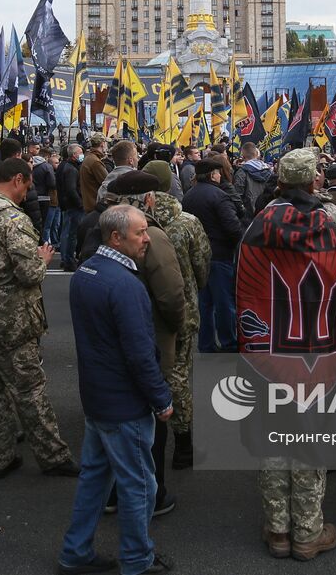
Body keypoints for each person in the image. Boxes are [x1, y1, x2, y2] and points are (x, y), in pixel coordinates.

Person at [242, 149, 336, 562]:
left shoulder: (259, 222)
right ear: (313, 181)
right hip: (318, 349)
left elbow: (245, 284)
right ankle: (308, 532)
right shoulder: (330, 220)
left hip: (271, 349)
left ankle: (278, 531)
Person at [58, 204, 174, 575]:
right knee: (140, 486)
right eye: (140, 233)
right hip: (124, 403)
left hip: (97, 395)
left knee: (94, 478)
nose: (146, 239)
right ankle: (137, 560)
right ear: (116, 237)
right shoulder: (125, 285)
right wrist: (161, 398)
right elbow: (140, 354)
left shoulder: (87, 272)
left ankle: (75, 552)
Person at [0, 158, 77, 478]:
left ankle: (1, 457)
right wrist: (42, 259)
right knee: (30, 389)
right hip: (11, 316)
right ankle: (53, 456)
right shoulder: (11, 219)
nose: (28, 192)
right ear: (17, 179)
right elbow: (28, 273)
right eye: (28, 185)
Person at [106, 172, 186, 514]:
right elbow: (171, 293)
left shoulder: (106, 229)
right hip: (150, 337)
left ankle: (114, 493)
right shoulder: (151, 235)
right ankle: (152, 494)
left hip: (113, 343)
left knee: (117, 422)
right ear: (149, 199)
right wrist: (178, 326)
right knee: (152, 419)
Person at [141, 166, 208, 471]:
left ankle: (152, 437)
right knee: (179, 375)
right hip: (184, 308)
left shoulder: (136, 222)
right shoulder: (187, 223)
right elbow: (202, 265)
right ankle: (183, 443)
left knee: (148, 370)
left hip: (147, 310)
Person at [180, 159, 243, 354]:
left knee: (204, 302)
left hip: (198, 255)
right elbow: (233, 227)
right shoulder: (219, 195)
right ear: (211, 175)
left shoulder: (189, 196)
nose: (220, 175)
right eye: (217, 172)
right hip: (220, 254)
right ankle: (229, 341)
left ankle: (205, 343)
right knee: (224, 301)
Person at [57, 144, 86, 273]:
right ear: (74, 155)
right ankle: (68, 259)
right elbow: (71, 190)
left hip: (69, 204)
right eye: (80, 152)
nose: (82, 154)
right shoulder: (71, 170)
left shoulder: (68, 167)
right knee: (71, 235)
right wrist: (80, 203)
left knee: (69, 233)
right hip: (74, 206)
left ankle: (67, 259)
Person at [232, 144, 273, 221]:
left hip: (249, 216)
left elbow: (237, 195)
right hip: (267, 214)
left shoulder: (241, 172)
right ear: (256, 154)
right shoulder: (269, 170)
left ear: (243, 156)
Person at [80, 134, 111, 213]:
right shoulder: (95, 162)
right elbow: (107, 183)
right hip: (95, 206)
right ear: (102, 144)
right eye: (106, 143)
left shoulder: (90, 158)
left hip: (90, 204)